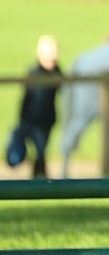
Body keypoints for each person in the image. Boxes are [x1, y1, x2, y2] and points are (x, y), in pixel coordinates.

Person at [6, 35, 61, 177]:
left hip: (45, 121)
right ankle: (29, 167)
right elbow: (26, 98)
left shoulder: (56, 74)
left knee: (41, 151)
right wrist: (22, 118)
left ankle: (39, 174)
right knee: (21, 147)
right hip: (30, 119)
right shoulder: (33, 73)